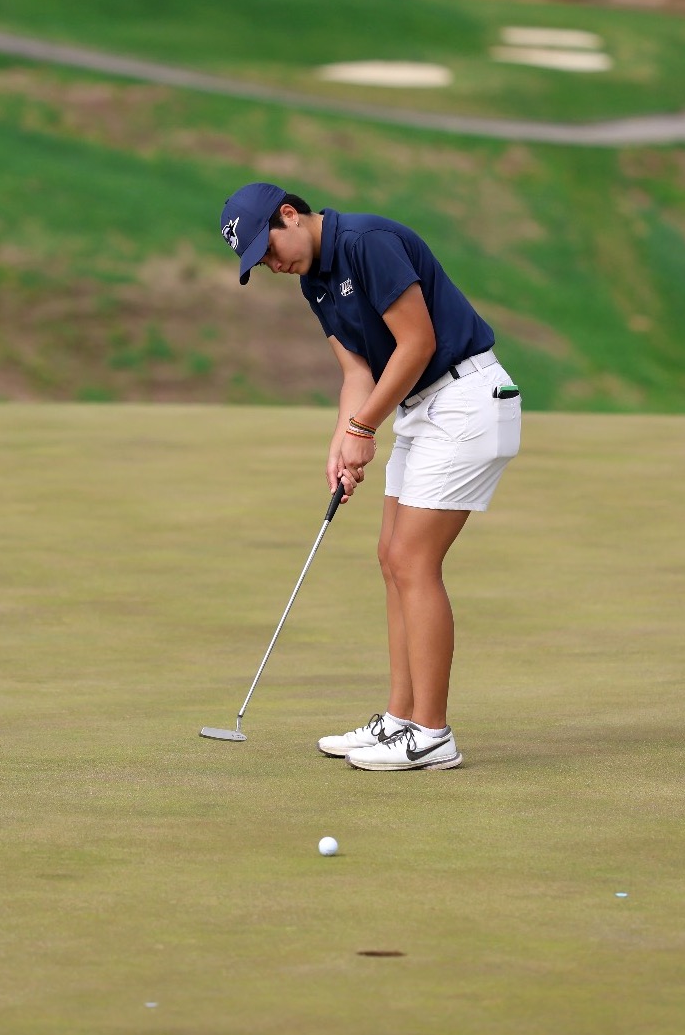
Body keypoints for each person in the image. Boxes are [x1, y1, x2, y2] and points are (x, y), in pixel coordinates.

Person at [218, 182, 521, 771]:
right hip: (421, 410)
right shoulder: (315, 279)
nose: (273, 265)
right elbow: (356, 369)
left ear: (290, 214)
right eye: (259, 262)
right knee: (390, 557)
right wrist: (343, 437)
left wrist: (364, 430)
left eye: (269, 248)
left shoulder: (367, 241)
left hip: (465, 399)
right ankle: (399, 721)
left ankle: (432, 734)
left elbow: (416, 343)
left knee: (413, 560)